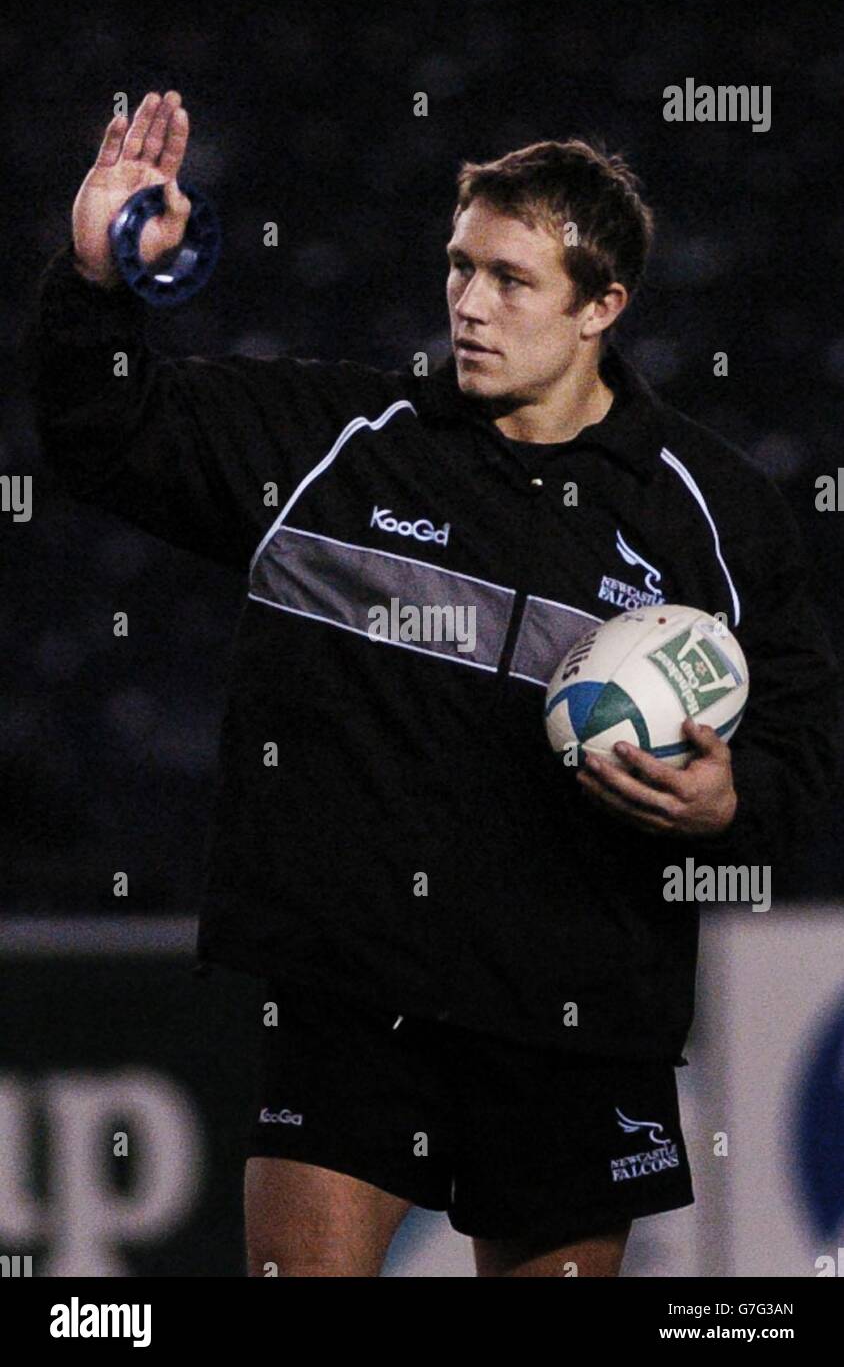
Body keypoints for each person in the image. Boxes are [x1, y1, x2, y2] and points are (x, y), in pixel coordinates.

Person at [28, 91, 840, 1277]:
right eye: (458, 266)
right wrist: (96, 282)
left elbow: (805, 738)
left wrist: (730, 802)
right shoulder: (338, 445)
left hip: (573, 1016)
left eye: (510, 279)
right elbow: (103, 428)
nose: (466, 303)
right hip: (357, 999)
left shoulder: (708, 515)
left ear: (601, 307)